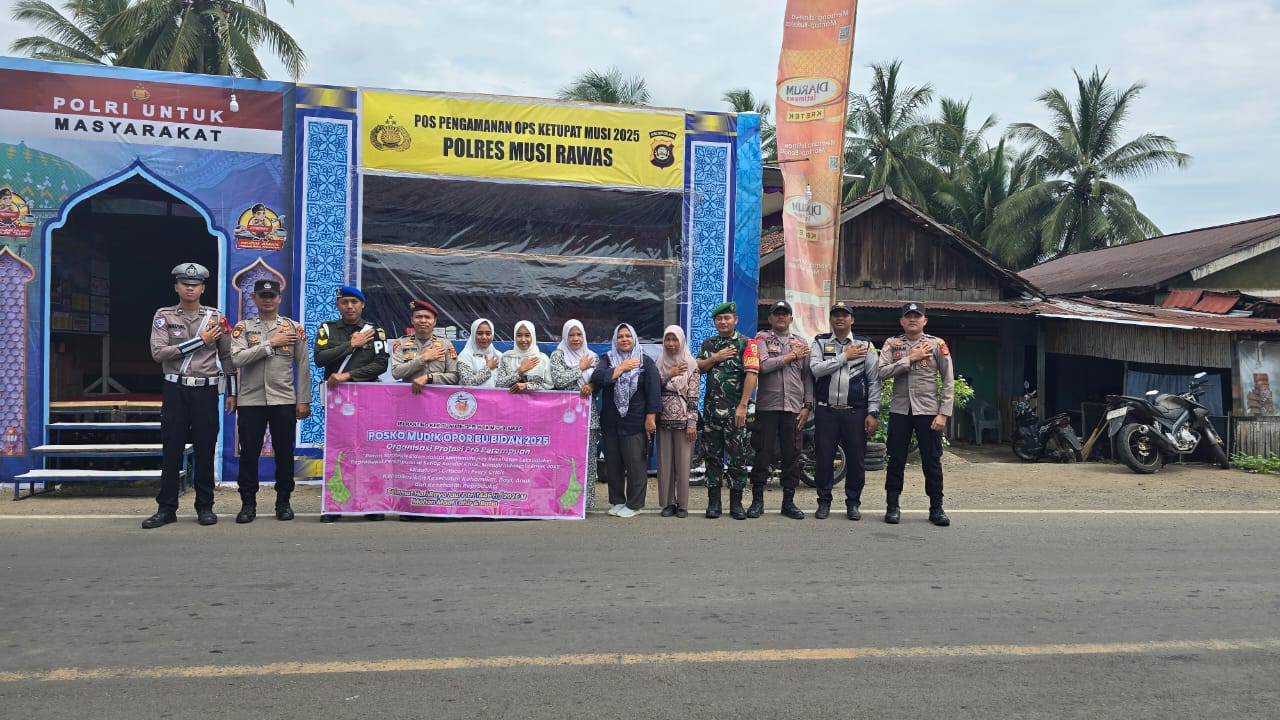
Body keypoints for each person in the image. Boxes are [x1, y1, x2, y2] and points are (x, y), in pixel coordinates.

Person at [141, 262, 237, 529]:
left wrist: (233, 392)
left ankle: (205, 507)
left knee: (205, 449)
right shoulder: (164, 316)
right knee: (172, 450)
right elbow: (158, 353)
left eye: (195, 285)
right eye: (185, 284)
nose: (190, 289)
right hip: (175, 389)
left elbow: (227, 356)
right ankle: (166, 508)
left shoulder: (216, 318)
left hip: (206, 390)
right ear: (176, 287)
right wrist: (200, 341)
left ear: (203, 288)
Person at [229, 279, 311, 523]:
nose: (267, 300)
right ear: (254, 298)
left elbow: (303, 365)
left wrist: (303, 400)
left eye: (272, 296)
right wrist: (270, 344)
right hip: (250, 401)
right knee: (249, 454)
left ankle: (283, 502)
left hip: (283, 400)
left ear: (279, 299)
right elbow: (237, 359)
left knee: (284, 453)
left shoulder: (293, 328)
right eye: (262, 296)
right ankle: (248, 504)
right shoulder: (243, 328)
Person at [313, 285, 390, 522]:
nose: (349, 306)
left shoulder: (375, 331)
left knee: (368, 450)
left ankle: (371, 503)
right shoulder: (327, 329)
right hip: (338, 400)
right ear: (338, 305)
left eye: (354, 302)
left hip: (367, 397)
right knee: (339, 451)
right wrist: (351, 344)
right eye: (344, 302)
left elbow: (381, 364)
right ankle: (335, 505)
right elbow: (320, 359)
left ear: (362, 305)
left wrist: (347, 376)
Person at [877, 302, 954, 526]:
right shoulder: (893, 344)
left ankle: (936, 508)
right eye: (908, 316)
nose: (912, 319)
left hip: (928, 411)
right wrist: (909, 359)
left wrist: (943, 413)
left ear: (924, 321)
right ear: (901, 321)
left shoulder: (937, 344)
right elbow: (881, 372)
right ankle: (892, 507)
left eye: (917, 316)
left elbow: (948, 380)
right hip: (900, 410)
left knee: (931, 460)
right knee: (896, 460)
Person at [810, 301, 881, 520]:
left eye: (844, 315)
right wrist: (844, 357)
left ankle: (853, 503)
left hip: (855, 412)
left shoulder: (865, 344)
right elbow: (816, 370)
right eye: (836, 315)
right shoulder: (820, 342)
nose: (840, 318)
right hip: (826, 411)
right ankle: (824, 502)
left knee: (856, 460)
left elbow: (874, 380)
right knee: (824, 459)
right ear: (830, 320)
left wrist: (873, 412)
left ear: (852, 320)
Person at [695, 301, 759, 519]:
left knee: (737, 458)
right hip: (712, 412)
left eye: (727, 318)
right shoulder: (709, 344)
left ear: (735, 320)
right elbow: (699, 367)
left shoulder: (747, 343)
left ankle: (736, 504)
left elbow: (751, 374)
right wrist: (716, 357)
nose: (723, 322)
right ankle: (714, 503)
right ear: (715, 322)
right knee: (712, 457)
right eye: (719, 319)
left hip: (735, 413)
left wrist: (743, 406)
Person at [749, 301, 813, 520]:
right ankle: (757, 501)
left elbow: (807, 377)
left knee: (792, 454)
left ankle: (788, 502)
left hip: (793, 408)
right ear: (770, 318)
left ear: (791, 318)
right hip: (767, 406)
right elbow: (763, 366)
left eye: (784, 314)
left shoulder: (801, 343)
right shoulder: (761, 339)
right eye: (776, 314)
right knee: (762, 453)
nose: (780, 317)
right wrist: (791, 356)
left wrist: (807, 406)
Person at [590, 323, 660, 517]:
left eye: (628, 336)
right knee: (613, 464)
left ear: (634, 338)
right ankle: (618, 501)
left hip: (635, 422)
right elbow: (597, 378)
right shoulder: (607, 359)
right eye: (620, 336)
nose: (624, 339)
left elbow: (654, 391)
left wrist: (651, 418)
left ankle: (635, 504)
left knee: (636, 464)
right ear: (615, 339)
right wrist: (620, 368)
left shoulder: (645, 362)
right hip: (611, 422)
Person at [549, 319, 599, 510]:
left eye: (579, 334)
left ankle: (585, 503)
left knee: (588, 460)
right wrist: (581, 368)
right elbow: (559, 381)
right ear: (565, 336)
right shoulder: (558, 355)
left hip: (589, 416)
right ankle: (565, 501)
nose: (576, 338)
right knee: (566, 460)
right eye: (571, 335)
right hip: (566, 417)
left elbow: (599, 382)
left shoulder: (593, 357)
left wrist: (592, 386)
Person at [654, 325, 699, 518]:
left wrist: (692, 423)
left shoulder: (691, 364)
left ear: (681, 341)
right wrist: (669, 374)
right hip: (663, 422)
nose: (671, 344)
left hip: (684, 422)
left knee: (683, 464)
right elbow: (652, 389)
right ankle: (668, 503)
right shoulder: (659, 364)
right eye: (668, 339)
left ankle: (682, 504)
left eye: (675, 340)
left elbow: (694, 396)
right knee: (665, 465)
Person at [391, 299, 459, 391]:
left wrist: (429, 378)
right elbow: (396, 373)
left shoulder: (445, 344)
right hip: (410, 394)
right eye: (418, 317)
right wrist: (422, 359)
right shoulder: (401, 343)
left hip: (437, 395)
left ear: (434, 321)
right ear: (412, 320)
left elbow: (454, 376)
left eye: (427, 317)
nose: (423, 320)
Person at [496, 321, 552, 392]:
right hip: (509, 399)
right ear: (515, 337)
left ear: (533, 336)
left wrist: (527, 386)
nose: (523, 339)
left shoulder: (543, 359)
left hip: (535, 399)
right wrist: (519, 371)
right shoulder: (506, 358)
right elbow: (499, 385)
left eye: (527, 335)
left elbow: (549, 386)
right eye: (519, 335)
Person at [457, 318, 501, 387]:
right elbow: (468, 382)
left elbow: (504, 383)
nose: (484, 337)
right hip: (472, 394)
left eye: (488, 334)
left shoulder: (498, 355)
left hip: (494, 394)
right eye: (480, 333)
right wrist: (488, 368)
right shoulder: (465, 356)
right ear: (473, 334)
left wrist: (517, 373)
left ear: (492, 335)